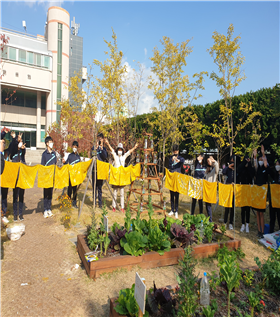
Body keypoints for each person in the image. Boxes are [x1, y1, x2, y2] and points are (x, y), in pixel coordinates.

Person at [105, 140, 138, 212]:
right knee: (115, 192)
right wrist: (107, 143)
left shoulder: (123, 157)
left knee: (122, 193)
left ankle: (122, 207)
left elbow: (129, 152)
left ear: (122, 151)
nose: (120, 151)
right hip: (116, 178)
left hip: (122, 178)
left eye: (121, 149)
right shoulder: (115, 157)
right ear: (117, 150)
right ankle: (114, 206)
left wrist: (135, 147)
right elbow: (112, 150)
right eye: (119, 149)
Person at [252, 147, 269, 238]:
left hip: (263, 193)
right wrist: (255, 156)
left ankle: (262, 231)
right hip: (257, 192)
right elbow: (255, 164)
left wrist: (263, 154)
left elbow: (266, 164)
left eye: (261, 159)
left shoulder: (265, 168)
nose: (260, 161)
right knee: (257, 212)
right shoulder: (258, 169)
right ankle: (259, 230)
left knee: (261, 212)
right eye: (259, 160)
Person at [9, 131, 26, 222]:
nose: (20, 140)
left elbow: (24, 151)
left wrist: (22, 148)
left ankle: (20, 213)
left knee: (21, 195)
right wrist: (15, 139)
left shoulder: (22, 152)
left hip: (22, 176)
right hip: (15, 176)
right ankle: (15, 214)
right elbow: (12, 149)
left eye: (21, 139)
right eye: (18, 139)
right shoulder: (14, 151)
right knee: (15, 195)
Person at [41, 136, 57, 218]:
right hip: (46, 177)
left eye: (52, 142)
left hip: (52, 177)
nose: (51, 143)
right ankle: (45, 210)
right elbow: (42, 166)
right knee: (46, 194)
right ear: (47, 143)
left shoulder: (54, 154)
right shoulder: (44, 154)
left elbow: (56, 164)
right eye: (50, 142)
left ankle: (49, 209)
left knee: (50, 193)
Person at [237, 155, 254, 233]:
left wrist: (249, 163)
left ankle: (247, 224)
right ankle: (243, 224)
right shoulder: (242, 168)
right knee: (243, 208)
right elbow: (238, 170)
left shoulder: (250, 169)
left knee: (248, 208)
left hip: (249, 189)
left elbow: (252, 173)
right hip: (242, 190)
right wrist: (244, 162)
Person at [91, 133, 108, 208]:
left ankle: (100, 203)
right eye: (98, 139)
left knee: (100, 188)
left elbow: (104, 157)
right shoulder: (94, 148)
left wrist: (101, 148)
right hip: (94, 170)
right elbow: (92, 155)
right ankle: (94, 202)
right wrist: (96, 147)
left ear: (103, 140)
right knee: (94, 187)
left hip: (101, 171)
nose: (99, 140)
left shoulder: (103, 149)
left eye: (101, 139)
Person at [168, 144, 184, 219]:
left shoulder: (180, 158)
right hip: (172, 178)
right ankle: (172, 209)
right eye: (174, 151)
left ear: (178, 151)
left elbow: (183, 161)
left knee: (176, 195)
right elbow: (169, 166)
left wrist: (179, 160)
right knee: (171, 194)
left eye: (176, 151)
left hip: (177, 178)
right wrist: (172, 161)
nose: (175, 152)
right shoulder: (171, 158)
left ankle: (176, 211)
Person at [62, 141, 81, 208]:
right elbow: (67, 163)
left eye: (76, 147)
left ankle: (74, 203)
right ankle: (68, 202)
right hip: (70, 176)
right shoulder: (70, 155)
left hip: (75, 177)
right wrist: (64, 162)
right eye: (73, 147)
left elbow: (79, 166)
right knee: (69, 190)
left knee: (75, 190)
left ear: (77, 148)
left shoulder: (78, 157)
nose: (74, 148)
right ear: (72, 147)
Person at [222, 155, 236, 230]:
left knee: (232, 207)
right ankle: (225, 222)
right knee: (226, 207)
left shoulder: (237, 169)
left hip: (234, 190)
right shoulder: (228, 169)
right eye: (231, 161)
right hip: (228, 189)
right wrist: (228, 167)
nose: (232, 162)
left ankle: (231, 223)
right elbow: (223, 172)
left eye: (233, 161)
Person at [204, 156, 219, 222]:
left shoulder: (214, 172)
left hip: (211, 190)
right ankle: (208, 217)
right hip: (206, 190)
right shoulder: (206, 173)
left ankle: (210, 220)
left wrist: (213, 161)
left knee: (209, 205)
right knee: (206, 205)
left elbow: (217, 167)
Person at [269, 158, 280, 233]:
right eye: (276, 165)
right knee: (272, 217)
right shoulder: (275, 174)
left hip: (279, 201)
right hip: (273, 199)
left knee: (279, 217)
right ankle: (271, 231)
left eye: (278, 165)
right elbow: (269, 170)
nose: (277, 166)